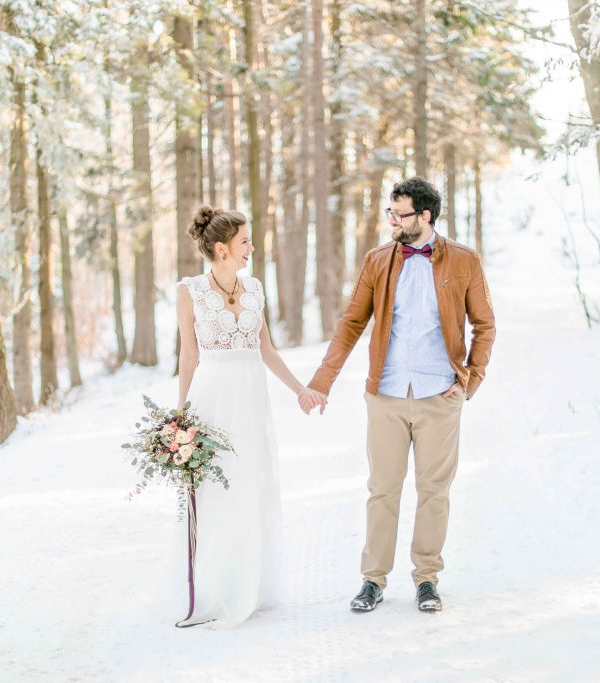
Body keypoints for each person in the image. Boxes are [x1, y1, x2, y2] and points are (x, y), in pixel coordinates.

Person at [300, 177, 496, 613]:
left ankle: (427, 578)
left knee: (434, 492)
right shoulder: (378, 261)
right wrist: (321, 381)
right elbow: (351, 323)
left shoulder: (464, 261)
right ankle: (373, 579)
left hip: (438, 394)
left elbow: (485, 323)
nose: (392, 221)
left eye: (400, 214)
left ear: (425, 217)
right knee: (383, 490)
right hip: (386, 392)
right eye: (389, 213)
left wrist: (470, 380)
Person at [174, 205, 309, 627]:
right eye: (244, 241)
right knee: (217, 491)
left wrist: (300, 389)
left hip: (251, 400)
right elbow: (189, 354)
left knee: (251, 483)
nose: (251, 247)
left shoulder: (253, 289)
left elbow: (266, 350)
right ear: (222, 249)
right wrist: (180, 418)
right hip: (212, 399)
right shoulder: (190, 291)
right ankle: (216, 587)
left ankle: (251, 582)